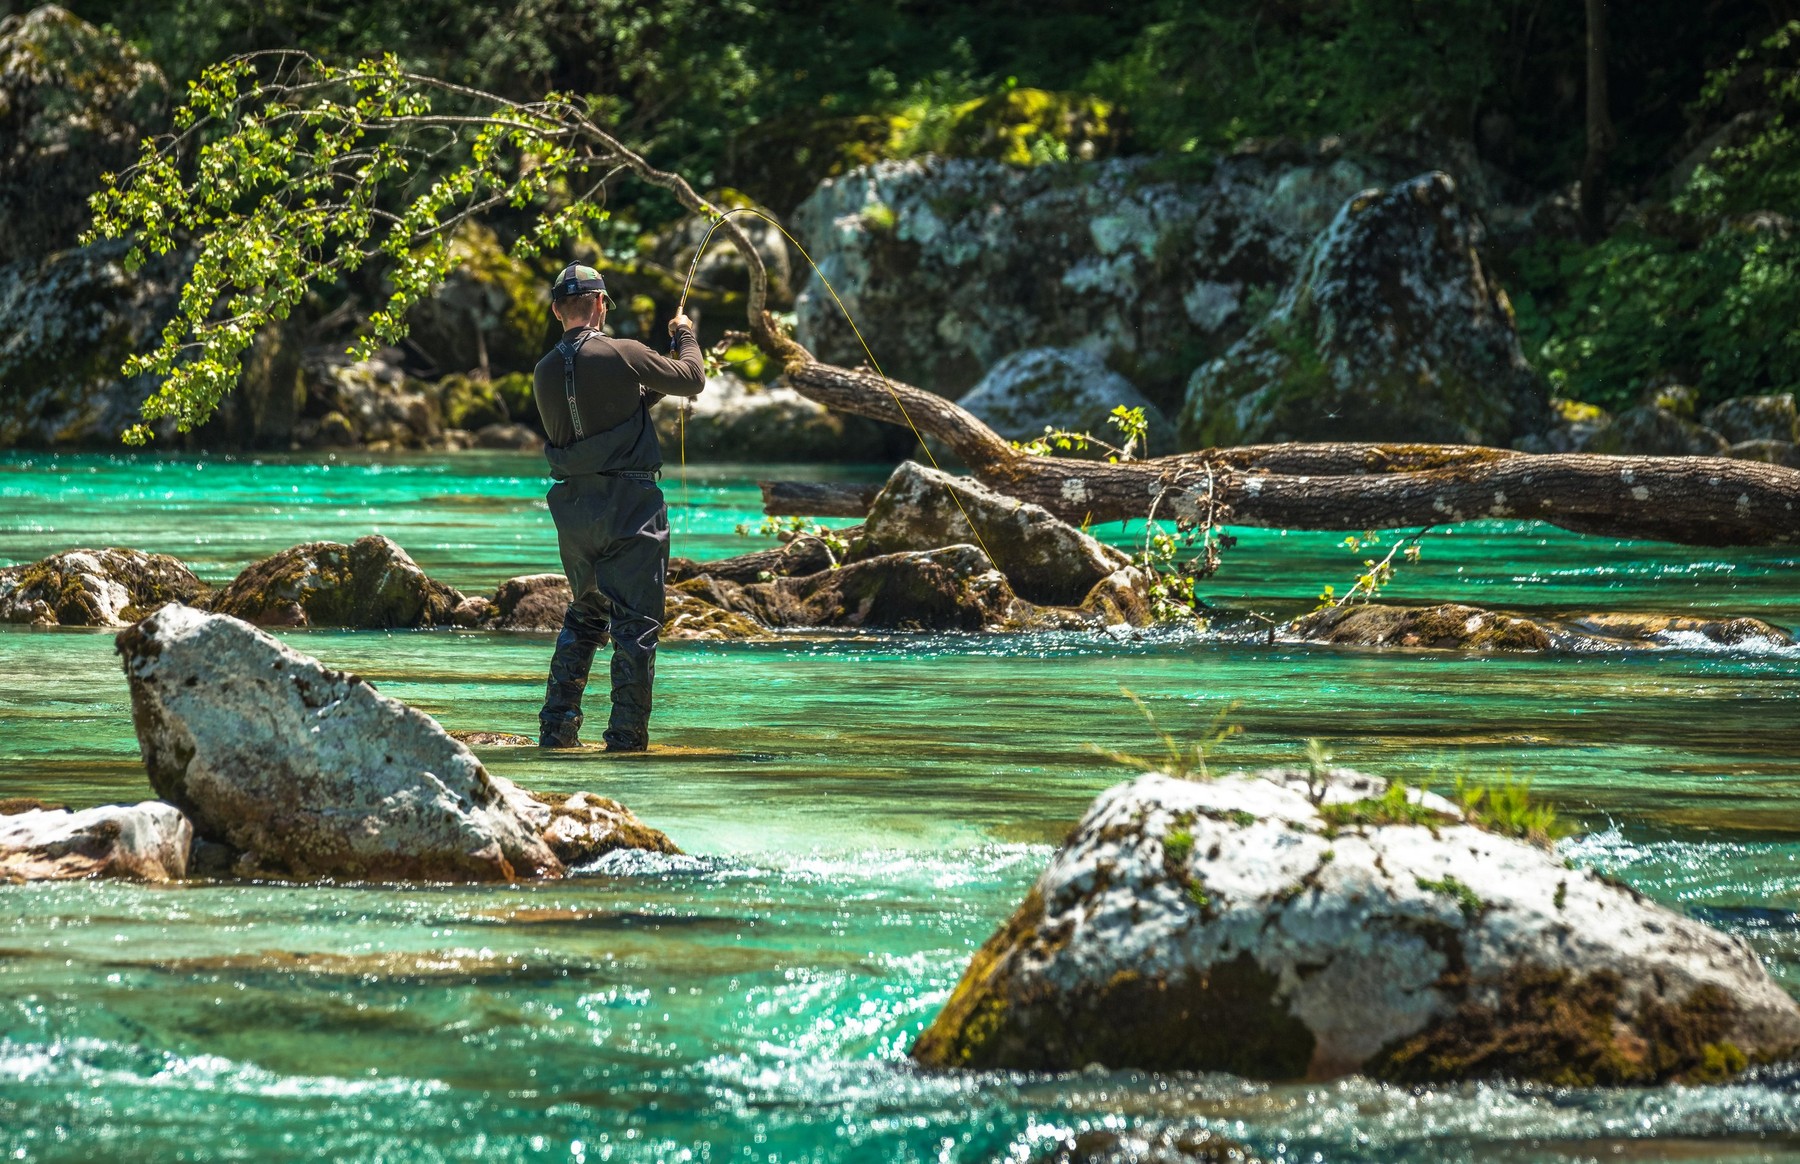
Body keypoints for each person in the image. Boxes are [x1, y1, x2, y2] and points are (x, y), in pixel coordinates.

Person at [532, 263, 704, 751]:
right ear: (601, 304)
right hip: (631, 506)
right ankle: (626, 742)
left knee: (585, 615)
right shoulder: (621, 352)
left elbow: (603, 424)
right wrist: (684, 334)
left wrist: (645, 385)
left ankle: (556, 730)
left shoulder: (544, 371)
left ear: (554, 310)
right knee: (637, 625)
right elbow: (692, 379)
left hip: (574, 513)